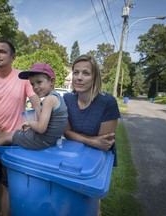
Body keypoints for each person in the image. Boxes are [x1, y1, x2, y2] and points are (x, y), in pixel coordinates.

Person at [0, 39, 41, 216]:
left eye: (2, 51)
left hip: (15, 141)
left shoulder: (23, 79)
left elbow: (37, 104)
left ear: (13, 57)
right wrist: (1, 136)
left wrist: (44, 121)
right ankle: (4, 210)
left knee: (10, 184)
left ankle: (5, 213)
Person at [63, 54, 121, 216]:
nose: (79, 78)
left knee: (91, 202)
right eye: (76, 72)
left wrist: (77, 135)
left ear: (95, 77)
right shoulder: (67, 99)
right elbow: (66, 133)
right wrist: (91, 140)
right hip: (73, 154)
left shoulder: (107, 102)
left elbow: (104, 143)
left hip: (97, 159)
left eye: (86, 73)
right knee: (70, 197)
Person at [0, 62, 68, 155]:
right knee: (12, 134)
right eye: (32, 84)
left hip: (42, 141)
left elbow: (41, 128)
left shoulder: (49, 100)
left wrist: (28, 123)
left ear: (52, 81)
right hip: (50, 140)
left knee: (7, 137)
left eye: (39, 82)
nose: (35, 87)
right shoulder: (58, 97)